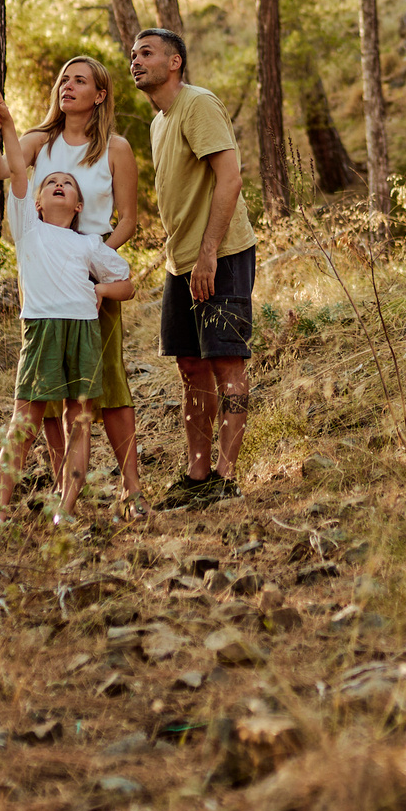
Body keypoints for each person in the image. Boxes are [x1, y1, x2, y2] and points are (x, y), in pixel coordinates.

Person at [0, 56, 146, 516]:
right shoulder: (40, 140)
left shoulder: (115, 148)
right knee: (47, 396)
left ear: (99, 95)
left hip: (94, 278)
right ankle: (66, 495)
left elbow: (129, 219)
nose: (68, 86)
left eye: (80, 80)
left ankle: (132, 492)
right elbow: (1, 170)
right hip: (45, 282)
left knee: (108, 389)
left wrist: (96, 263)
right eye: (64, 80)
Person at [125, 27, 258, 507]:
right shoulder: (160, 122)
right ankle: (197, 475)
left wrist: (207, 254)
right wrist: (184, 259)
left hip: (219, 254)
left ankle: (225, 476)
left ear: (175, 61)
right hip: (181, 263)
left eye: (147, 53)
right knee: (190, 366)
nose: (135, 61)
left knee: (226, 362)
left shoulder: (197, 104)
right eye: (133, 55)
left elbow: (230, 178)